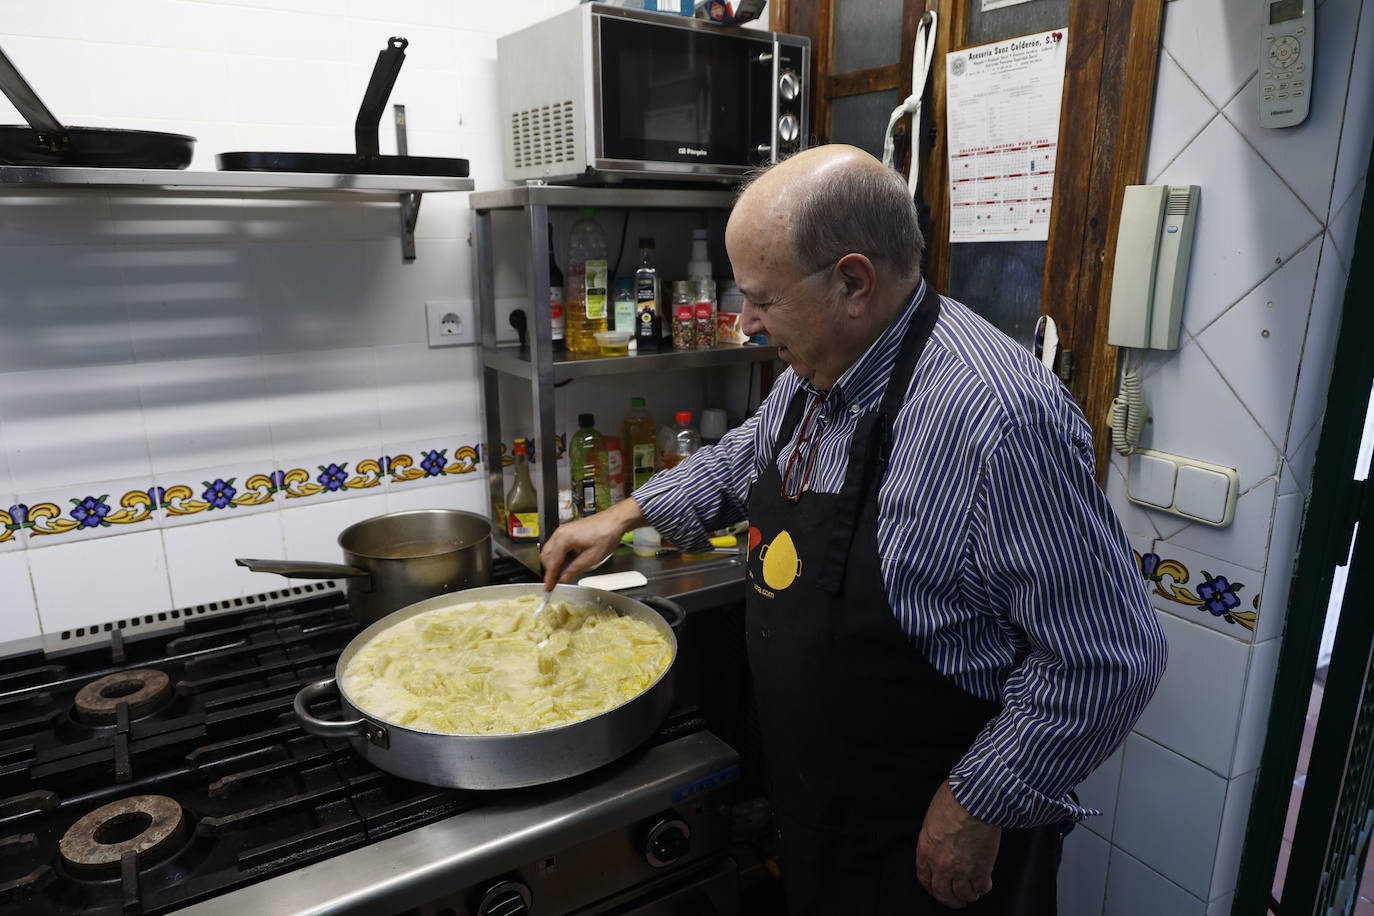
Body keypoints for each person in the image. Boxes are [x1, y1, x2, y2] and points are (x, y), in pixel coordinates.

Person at [540, 144, 1167, 914]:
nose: (745, 323)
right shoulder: (821, 372)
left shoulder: (998, 419)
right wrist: (626, 512)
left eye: (761, 300)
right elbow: (747, 458)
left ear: (853, 282)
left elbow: (1111, 659)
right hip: (825, 811)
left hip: (932, 836)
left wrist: (977, 803)